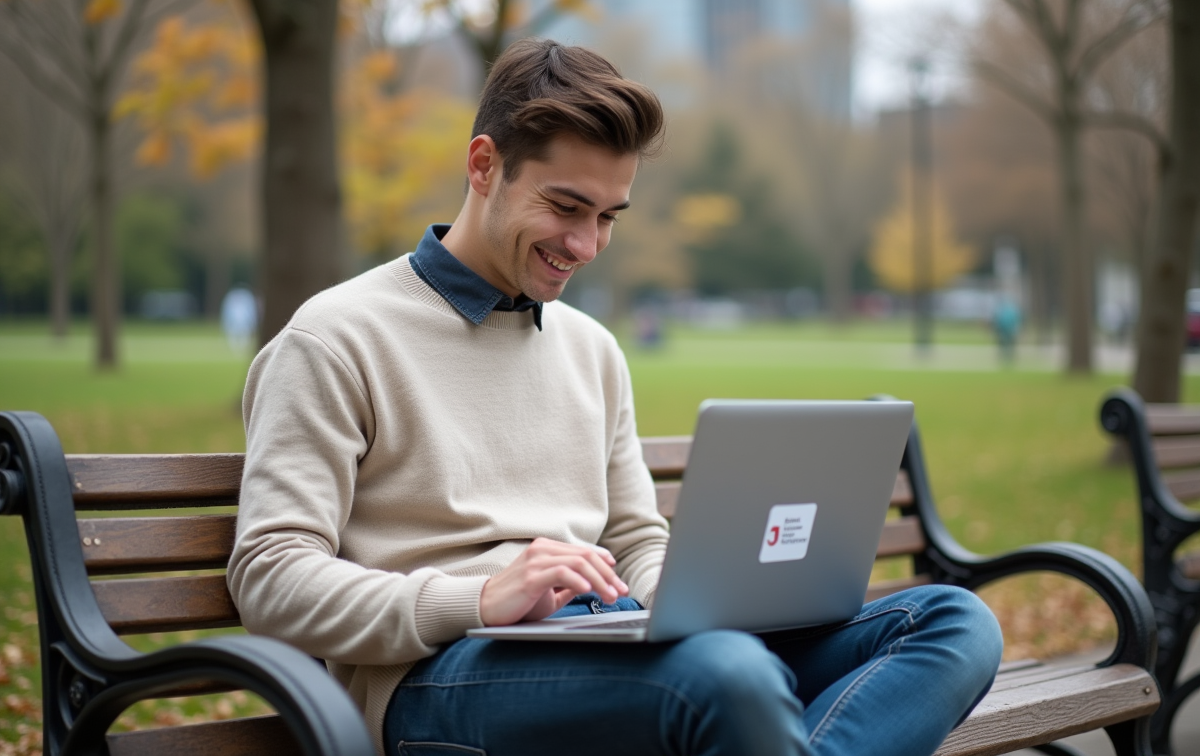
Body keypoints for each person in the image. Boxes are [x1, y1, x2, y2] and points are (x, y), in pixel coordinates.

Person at [229, 38, 1003, 756]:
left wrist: (688, 605)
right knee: (726, 675)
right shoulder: (333, 339)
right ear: (483, 164)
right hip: (440, 675)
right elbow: (270, 575)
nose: (587, 245)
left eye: (607, 218)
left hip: (617, 645)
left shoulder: (590, 348)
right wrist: (478, 598)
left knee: (950, 622)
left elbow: (636, 540)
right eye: (566, 208)